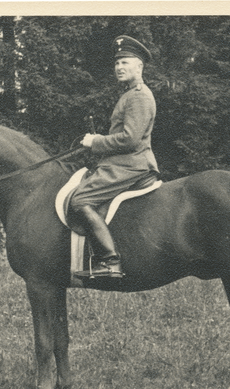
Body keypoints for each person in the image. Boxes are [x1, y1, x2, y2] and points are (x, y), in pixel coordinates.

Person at [71, 35, 159, 280]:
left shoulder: (139, 95)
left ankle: (110, 261)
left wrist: (96, 142)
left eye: (126, 62)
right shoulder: (130, 94)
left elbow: (130, 139)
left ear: (139, 66)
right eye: (117, 63)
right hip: (123, 162)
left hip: (132, 165)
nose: (119, 67)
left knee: (80, 200)